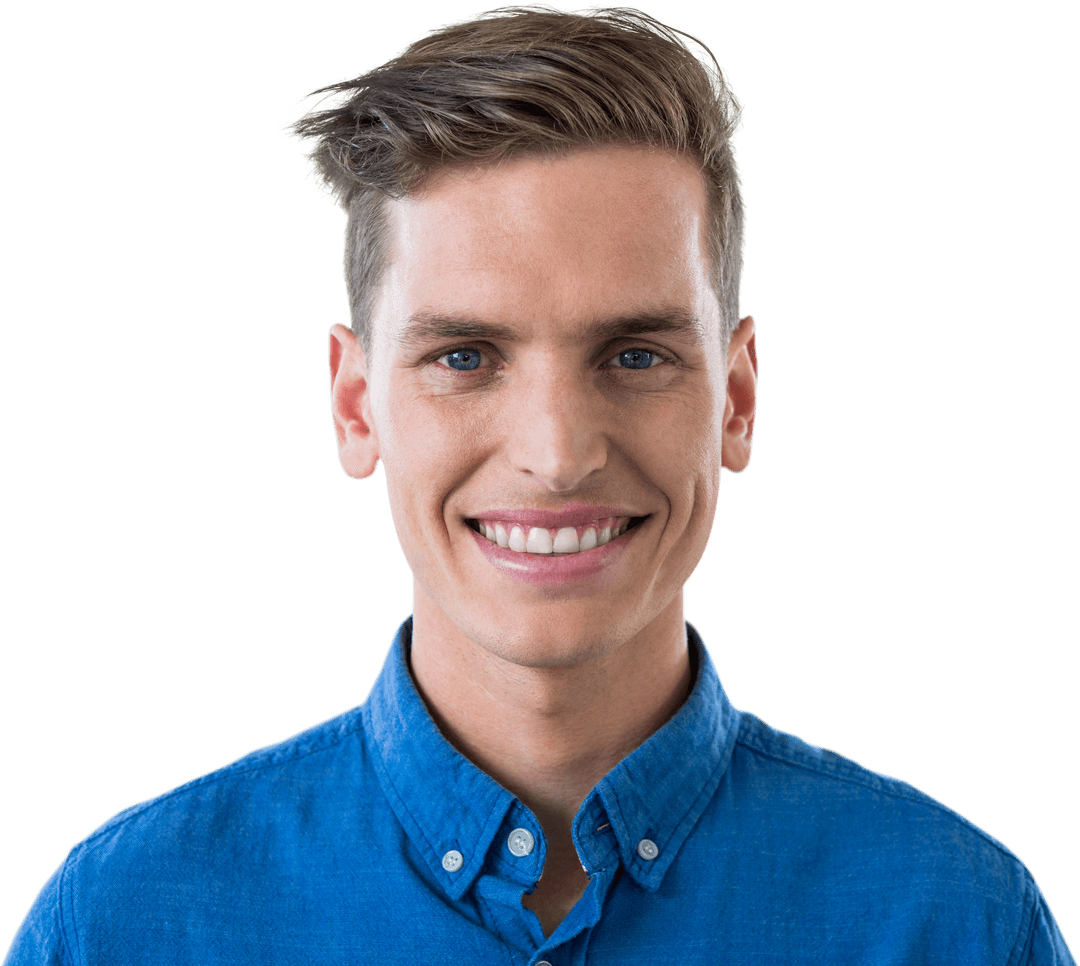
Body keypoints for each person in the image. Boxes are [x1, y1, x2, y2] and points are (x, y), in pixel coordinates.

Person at [4, 4, 1074, 964]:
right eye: (465, 356)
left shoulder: (954, 925)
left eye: (637, 355)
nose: (558, 454)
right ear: (355, 404)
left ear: (737, 400)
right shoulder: (124, 924)